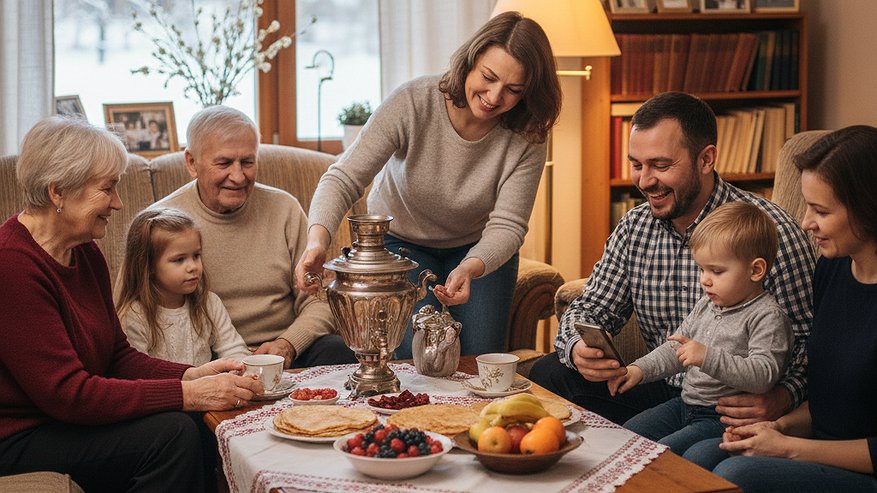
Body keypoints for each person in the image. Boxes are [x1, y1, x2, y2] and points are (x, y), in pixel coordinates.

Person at [0, 116, 263, 492]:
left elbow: (116, 356)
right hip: (20, 434)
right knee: (171, 433)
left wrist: (191, 375)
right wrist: (186, 394)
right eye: (107, 189)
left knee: (188, 422)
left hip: (58, 419)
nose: (119, 203)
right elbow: (68, 395)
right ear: (58, 192)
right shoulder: (11, 265)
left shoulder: (85, 251)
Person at [529, 91, 815, 426]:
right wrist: (578, 348)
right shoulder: (635, 227)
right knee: (547, 372)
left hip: (731, 402)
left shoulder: (770, 232)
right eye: (637, 165)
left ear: (706, 160)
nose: (646, 181)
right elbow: (590, 308)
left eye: (661, 166)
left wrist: (783, 397)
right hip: (662, 388)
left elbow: (810, 343)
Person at [295, 11, 563, 359]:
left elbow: (509, 224)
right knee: (411, 357)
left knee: (479, 361)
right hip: (401, 244)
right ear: (471, 59)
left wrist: (471, 265)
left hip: (477, 250)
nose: (495, 97)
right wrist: (317, 241)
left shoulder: (528, 132)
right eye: (489, 77)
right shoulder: (413, 101)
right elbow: (343, 178)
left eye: (513, 90)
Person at [685, 126, 877, 492]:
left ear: (868, 208)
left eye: (820, 210)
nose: (805, 222)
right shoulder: (833, 268)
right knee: (695, 459)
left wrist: (790, 448)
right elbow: (831, 404)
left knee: (734, 475)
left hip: (863, 472)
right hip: (812, 442)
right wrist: (780, 426)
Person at [154, 105, 356, 368]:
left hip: (283, 348)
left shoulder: (284, 208)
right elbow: (134, 308)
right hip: (206, 356)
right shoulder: (161, 221)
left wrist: (288, 343)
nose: (238, 176)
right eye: (224, 163)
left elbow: (319, 300)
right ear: (192, 162)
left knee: (340, 350)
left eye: (247, 162)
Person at [609, 201, 792, 455]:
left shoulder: (767, 317)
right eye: (702, 269)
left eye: (716, 271)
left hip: (722, 418)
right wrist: (640, 369)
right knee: (629, 434)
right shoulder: (708, 302)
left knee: (664, 454)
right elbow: (677, 347)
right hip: (685, 404)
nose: (704, 280)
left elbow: (763, 375)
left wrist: (707, 357)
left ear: (756, 270)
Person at [116, 207, 251, 365]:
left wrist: (241, 368)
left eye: (196, 256)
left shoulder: (208, 303)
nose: (193, 266)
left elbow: (233, 349)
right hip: (165, 389)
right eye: (179, 260)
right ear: (148, 266)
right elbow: (138, 370)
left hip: (209, 387)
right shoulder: (135, 316)